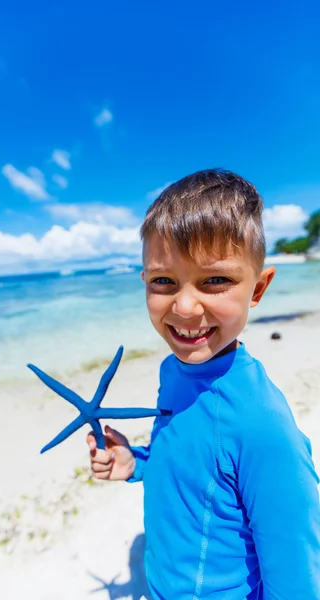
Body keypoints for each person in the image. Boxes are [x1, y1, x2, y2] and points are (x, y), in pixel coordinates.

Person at [87, 169, 320, 599]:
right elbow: (188, 458)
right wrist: (136, 463)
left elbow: (298, 578)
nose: (186, 306)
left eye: (215, 280)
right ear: (144, 283)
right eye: (163, 281)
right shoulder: (172, 371)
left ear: (258, 288)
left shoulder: (262, 426)